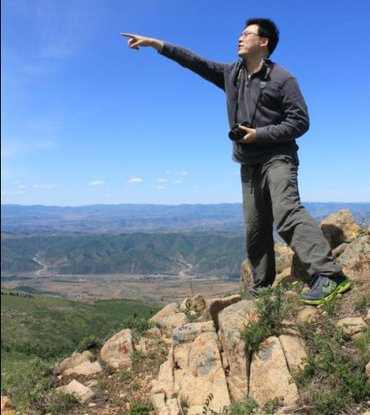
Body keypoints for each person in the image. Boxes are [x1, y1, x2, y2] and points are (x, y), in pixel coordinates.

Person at [121, 18, 350, 304]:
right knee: (255, 228)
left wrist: (259, 135)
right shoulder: (231, 74)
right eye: (240, 34)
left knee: (286, 212)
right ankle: (261, 287)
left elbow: (300, 122)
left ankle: (329, 275)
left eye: (246, 34)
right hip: (248, 164)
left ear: (264, 42)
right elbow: (193, 61)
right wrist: (156, 44)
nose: (239, 38)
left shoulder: (282, 78)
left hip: (277, 157)